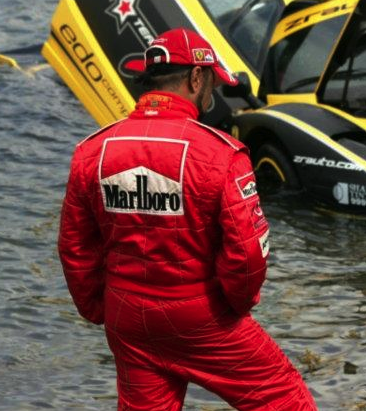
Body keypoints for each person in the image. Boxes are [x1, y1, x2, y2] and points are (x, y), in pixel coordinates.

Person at [58, 28, 317, 411]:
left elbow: (75, 248)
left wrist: (101, 308)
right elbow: (247, 253)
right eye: (211, 81)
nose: (212, 94)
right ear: (196, 77)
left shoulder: (91, 151)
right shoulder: (221, 154)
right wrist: (234, 305)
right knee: (284, 398)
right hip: (201, 314)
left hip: (126, 316)